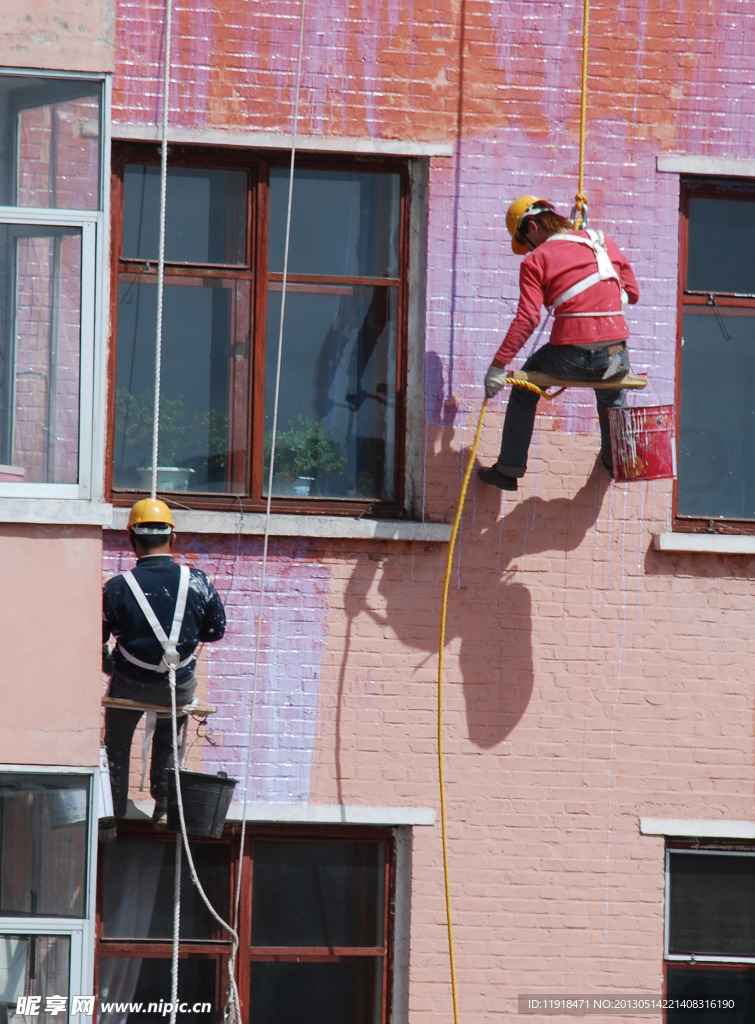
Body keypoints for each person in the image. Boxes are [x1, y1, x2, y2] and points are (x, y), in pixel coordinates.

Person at [478, 195, 640, 491]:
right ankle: (615, 463)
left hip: (570, 356)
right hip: (616, 354)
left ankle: (509, 469)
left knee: (525, 392)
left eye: (526, 240)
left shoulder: (535, 261)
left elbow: (528, 319)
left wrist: (498, 366)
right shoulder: (602, 242)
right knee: (612, 397)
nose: (528, 248)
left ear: (533, 226)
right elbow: (633, 292)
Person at [100, 498, 226, 840]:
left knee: (116, 742)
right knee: (170, 737)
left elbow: (97, 637)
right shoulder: (197, 581)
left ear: (132, 539)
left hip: (131, 683)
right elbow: (215, 631)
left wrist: (108, 659)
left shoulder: (117, 587)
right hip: (178, 681)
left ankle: (110, 810)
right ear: (173, 537)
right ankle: (165, 804)